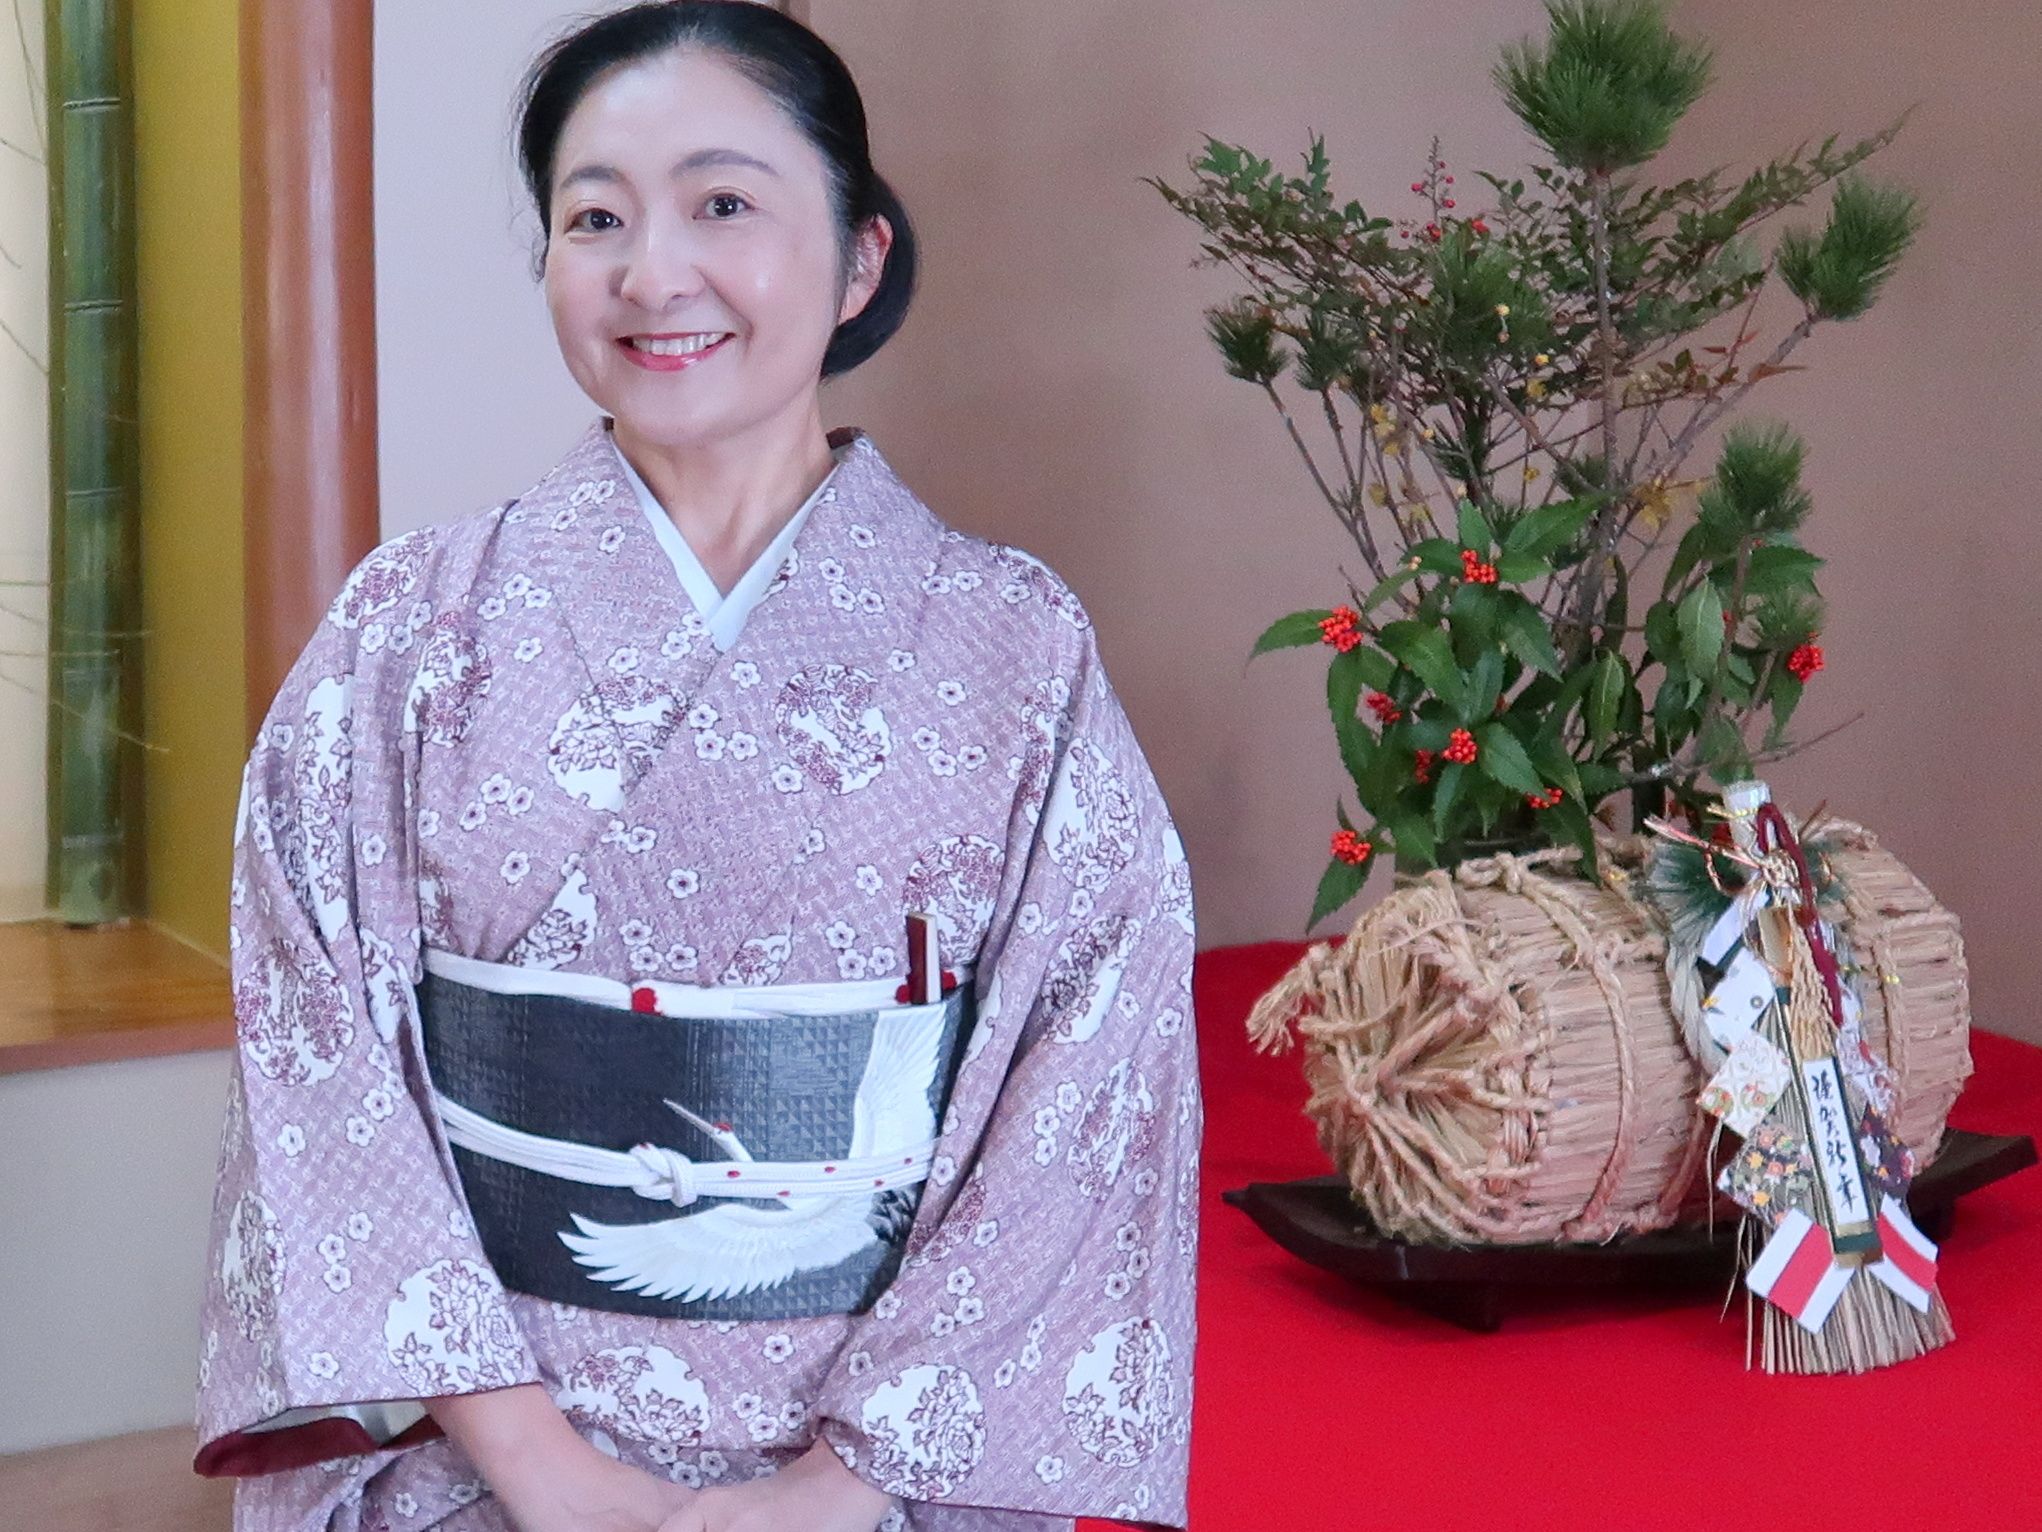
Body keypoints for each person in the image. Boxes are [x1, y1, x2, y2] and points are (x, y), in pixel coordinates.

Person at [193, 4, 1201, 1530]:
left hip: (887, 1483)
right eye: (594, 217)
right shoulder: (410, 633)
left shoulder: (1014, 648)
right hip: (485, 1469)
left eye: (721, 204)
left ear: (860, 255)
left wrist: (836, 1489)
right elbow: (316, 1060)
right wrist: (546, 1476)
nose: (653, 274)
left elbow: (1088, 1078)